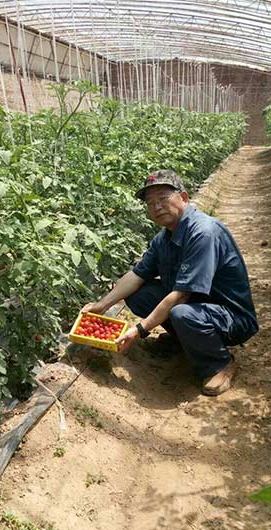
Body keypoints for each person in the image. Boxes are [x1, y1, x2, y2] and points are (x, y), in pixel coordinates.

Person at [81, 169, 258, 396]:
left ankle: (219, 363)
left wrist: (140, 330)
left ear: (183, 198)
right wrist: (101, 305)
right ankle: (186, 341)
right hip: (198, 307)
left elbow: (182, 295)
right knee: (139, 294)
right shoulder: (164, 238)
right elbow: (137, 275)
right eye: (150, 203)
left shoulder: (203, 233)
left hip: (230, 317)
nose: (156, 207)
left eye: (163, 199)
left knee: (183, 313)